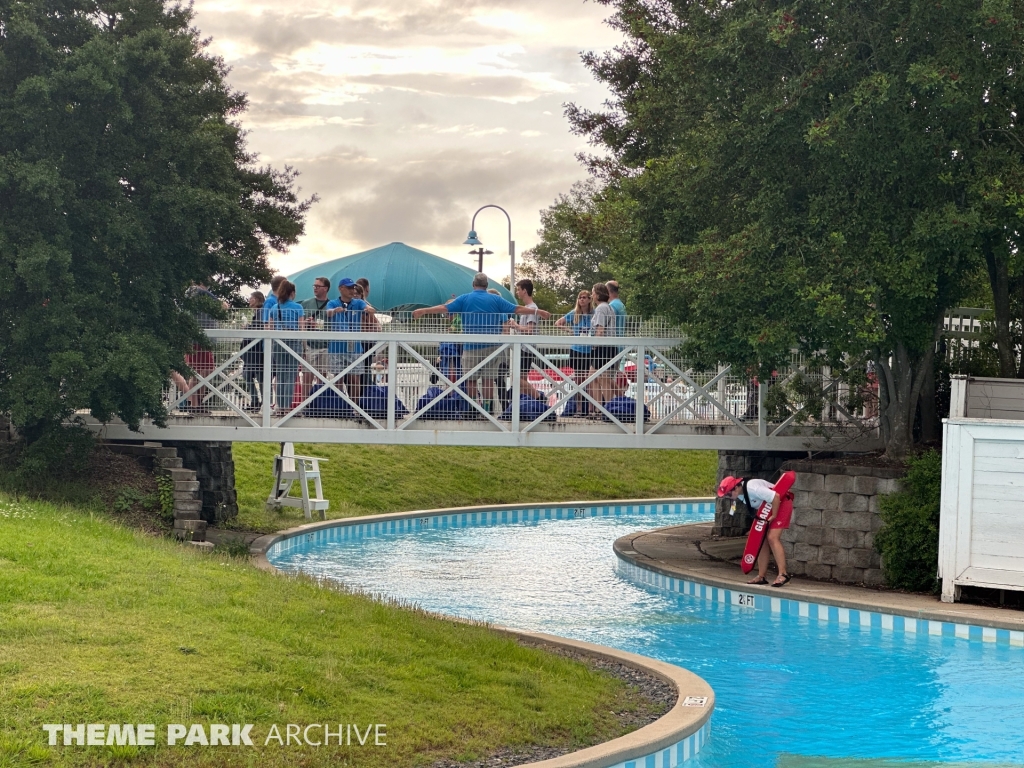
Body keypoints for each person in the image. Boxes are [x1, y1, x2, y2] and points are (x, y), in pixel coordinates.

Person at [412, 273, 549, 413]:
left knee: (471, 379)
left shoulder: (465, 298)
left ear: (473, 284)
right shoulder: (496, 299)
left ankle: (473, 410)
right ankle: (487, 410)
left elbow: (444, 308)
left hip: (471, 346)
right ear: (487, 285)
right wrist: (539, 312)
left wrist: (424, 311)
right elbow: (517, 309)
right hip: (492, 347)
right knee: (488, 379)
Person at [717, 475, 792, 587]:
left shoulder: (752, 488)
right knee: (761, 540)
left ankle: (783, 574)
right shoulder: (741, 495)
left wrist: (774, 515)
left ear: (736, 487)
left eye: (728, 494)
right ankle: (761, 576)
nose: (728, 497)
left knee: (772, 537)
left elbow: (775, 496)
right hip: (770, 508)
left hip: (781, 503)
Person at [171, 283, 228, 414]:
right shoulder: (196, 291)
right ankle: (195, 405)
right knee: (203, 372)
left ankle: (196, 404)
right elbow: (223, 306)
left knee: (203, 372)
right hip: (198, 341)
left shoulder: (195, 294)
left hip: (201, 340)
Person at [325, 278, 375, 402]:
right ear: (340, 288)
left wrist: (369, 310)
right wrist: (335, 311)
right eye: (348, 287)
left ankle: (355, 407)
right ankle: (339, 405)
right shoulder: (333, 303)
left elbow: (368, 308)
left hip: (355, 347)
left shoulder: (358, 303)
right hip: (337, 348)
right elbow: (328, 313)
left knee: (355, 378)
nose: (351, 290)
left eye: (352, 288)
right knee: (338, 378)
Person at [263, 280, 304, 414]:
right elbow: (301, 329)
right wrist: (304, 348)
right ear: (292, 293)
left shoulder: (274, 307)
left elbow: (269, 328)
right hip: (293, 344)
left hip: (277, 344)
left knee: (280, 376)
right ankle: (287, 408)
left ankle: (280, 407)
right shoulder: (298, 308)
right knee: (291, 377)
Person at [555, 290, 593, 416]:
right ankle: (578, 408)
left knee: (590, 379)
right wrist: (569, 330)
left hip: (590, 350)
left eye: (584, 297)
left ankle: (591, 409)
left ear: (589, 299)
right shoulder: (574, 313)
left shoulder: (593, 314)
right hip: (577, 350)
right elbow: (558, 323)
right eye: (580, 298)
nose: (582, 300)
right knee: (578, 379)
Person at [504, 278, 543, 400]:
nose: (517, 292)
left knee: (517, 378)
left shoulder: (532, 308)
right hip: (524, 346)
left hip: (527, 348)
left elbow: (530, 329)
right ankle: (524, 402)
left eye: (518, 289)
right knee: (521, 378)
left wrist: (516, 326)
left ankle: (538, 397)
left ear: (525, 291)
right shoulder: (528, 307)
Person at [299, 277, 331, 399]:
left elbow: (333, 326)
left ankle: (319, 403)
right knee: (307, 376)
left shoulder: (331, 305)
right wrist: (306, 323)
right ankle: (304, 404)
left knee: (322, 376)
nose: (315, 288)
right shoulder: (306, 303)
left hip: (324, 345)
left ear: (325, 289)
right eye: (314, 286)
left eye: (318, 286)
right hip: (309, 345)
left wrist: (317, 325)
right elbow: (299, 323)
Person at [590, 282, 619, 407]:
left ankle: (604, 407)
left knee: (598, 378)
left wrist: (594, 345)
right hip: (609, 347)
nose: (591, 295)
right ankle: (603, 408)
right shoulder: (609, 307)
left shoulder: (601, 308)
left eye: (592, 292)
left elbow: (600, 330)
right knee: (599, 378)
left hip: (603, 348)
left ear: (597, 294)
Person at [241, 291, 265, 411]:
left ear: (255, 299)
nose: (249, 300)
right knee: (248, 375)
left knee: (259, 377)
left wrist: (247, 327)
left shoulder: (260, 312)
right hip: (252, 351)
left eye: (250, 298)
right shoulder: (257, 313)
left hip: (256, 351)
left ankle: (261, 402)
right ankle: (256, 401)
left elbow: (260, 327)